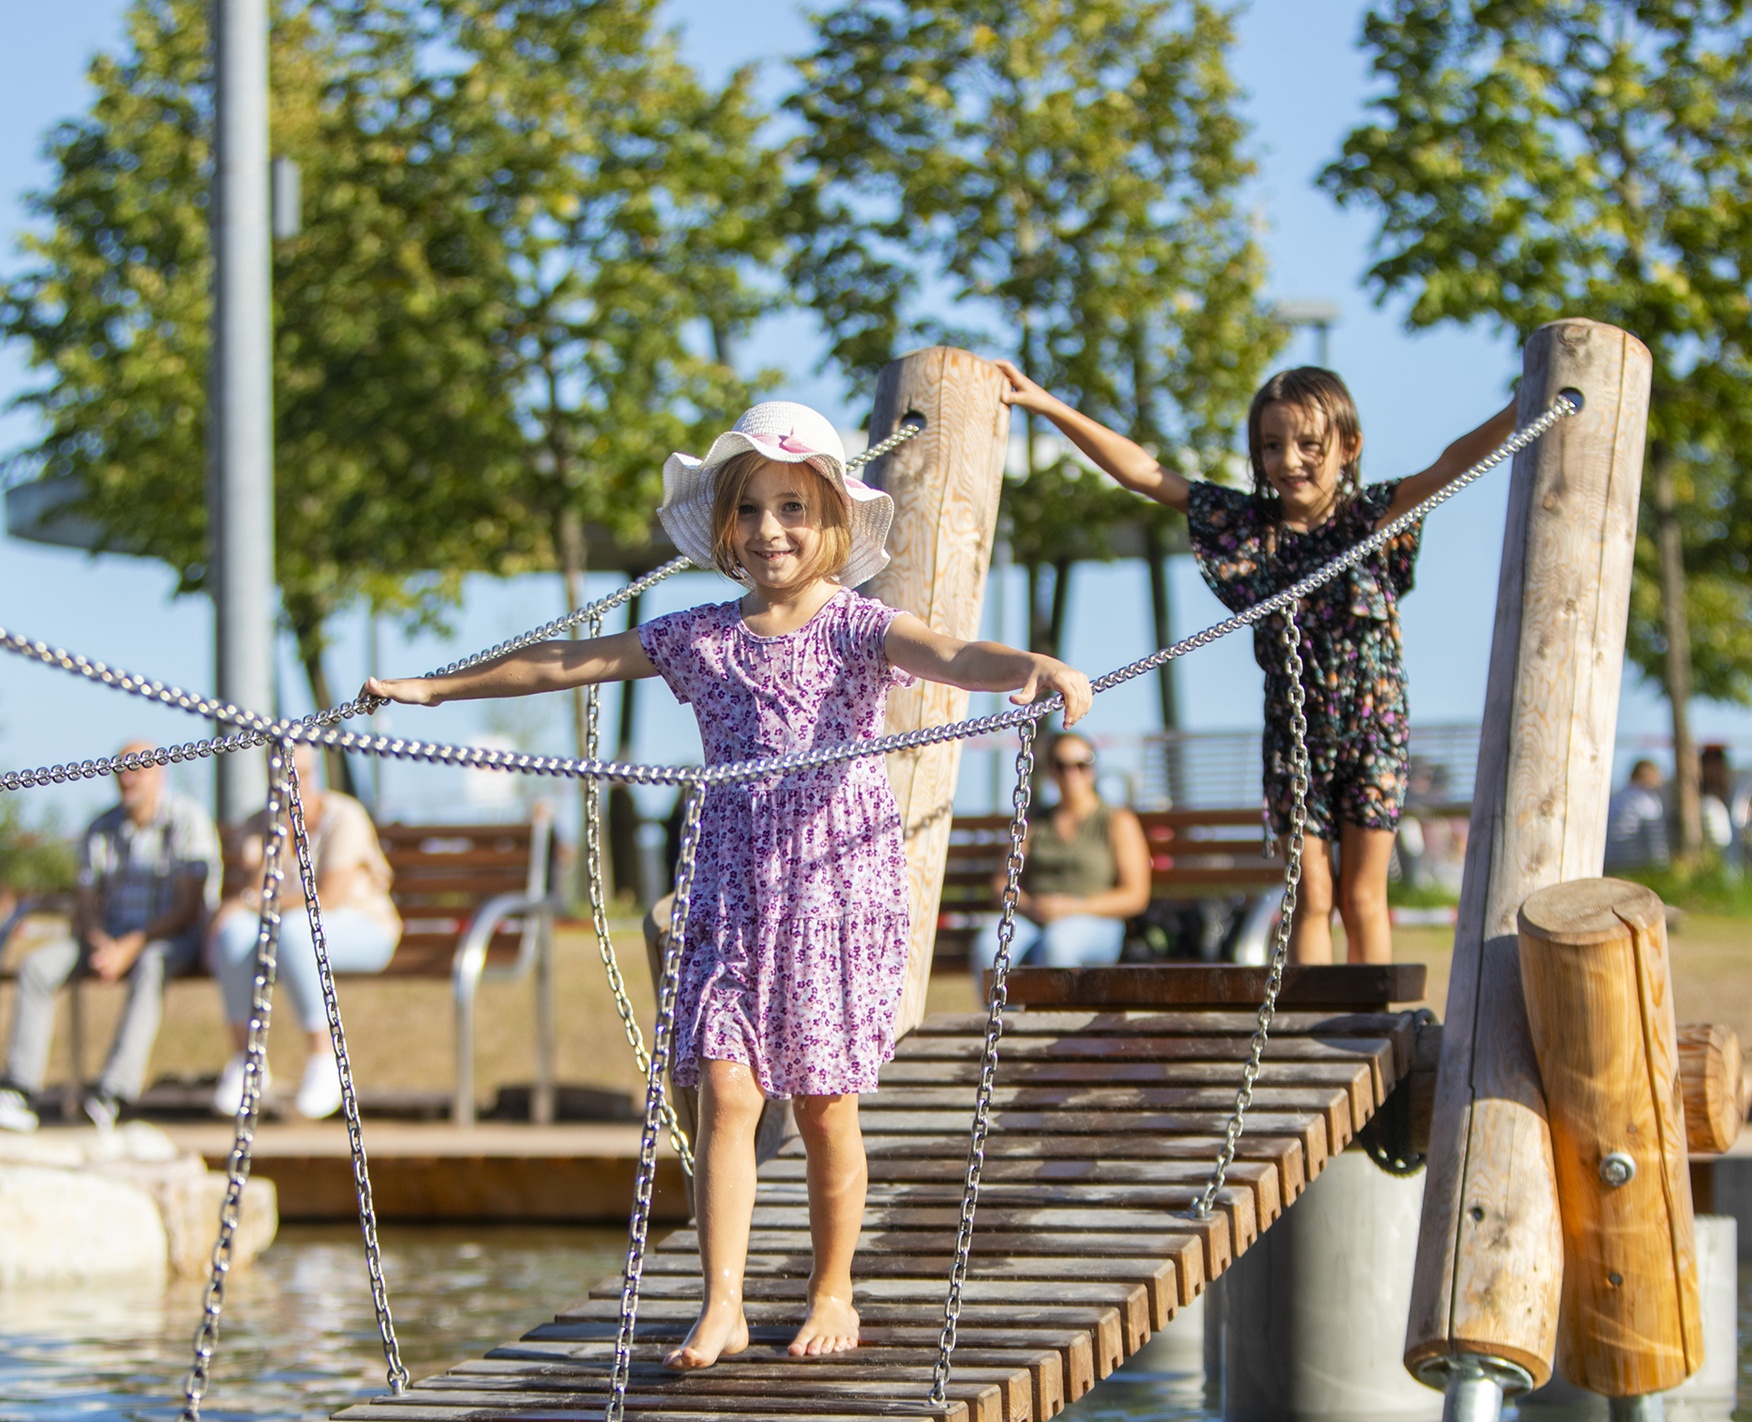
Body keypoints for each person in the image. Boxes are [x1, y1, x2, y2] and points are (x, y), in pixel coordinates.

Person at [362, 400, 1090, 1368]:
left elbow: (952, 655)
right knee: (725, 1090)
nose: (769, 531)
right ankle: (725, 1301)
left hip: (830, 891)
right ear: (726, 528)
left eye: (791, 507)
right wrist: (434, 689)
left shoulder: (857, 630)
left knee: (828, 1102)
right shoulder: (701, 637)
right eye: (749, 511)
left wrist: (1030, 666)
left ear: (831, 517)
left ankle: (834, 1288)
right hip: (734, 893)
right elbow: (570, 660)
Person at [996, 362, 1521, 965]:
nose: (1289, 460)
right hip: (1295, 735)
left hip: (1374, 730)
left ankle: (1375, 1024)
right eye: (1272, 446)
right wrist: (1049, 407)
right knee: (1311, 892)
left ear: (1348, 447)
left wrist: (1515, 410)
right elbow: (1144, 472)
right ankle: (1315, 1029)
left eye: (1308, 445)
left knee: (1362, 895)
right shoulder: (1249, 527)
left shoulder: (1373, 517)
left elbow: (1451, 465)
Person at [0, 745, 220, 1133]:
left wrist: (130, 946)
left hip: (169, 937)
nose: (127, 777)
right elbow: (85, 902)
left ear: (160, 773)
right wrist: (101, 941)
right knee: (37, 966)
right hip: (106, 937)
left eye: (137, 769)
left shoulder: (186, 820)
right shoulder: (102, 826)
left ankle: (112, 1093)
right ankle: (19, 1090)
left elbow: (188, 907)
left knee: (152, 964)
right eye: (121, 769)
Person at [211, 745, 400, 1120]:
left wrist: (252, 903)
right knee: (231, 933)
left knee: (297, 931)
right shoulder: (258, 824)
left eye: (301, 773)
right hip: (285, 935)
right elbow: (254, 889)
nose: (292, 783)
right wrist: (274, 841)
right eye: (282, 774)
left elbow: (326, 898)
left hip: (362, 928)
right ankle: (248, 1061)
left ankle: (323, 1059)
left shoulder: (344, 816)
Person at [969, 731, 1151, 979]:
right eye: (1061, 766)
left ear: (1094, 769)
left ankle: (1058, 1018)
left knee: (1058, 945)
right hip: (1034, 920)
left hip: (1095, 921)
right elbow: (1002, 882)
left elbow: (1135, 895)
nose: (1071, 774)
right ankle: (1006, 1018)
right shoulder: (1035, 824)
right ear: (1050, 771)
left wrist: (1074, 907)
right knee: (989, 944)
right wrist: (1031, 906)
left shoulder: (1116, 820)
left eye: (1081, 765)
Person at [1605, 758, 1671, 873]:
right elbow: (1654, 836)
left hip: (1612, 862)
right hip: (1637, 864)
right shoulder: (1645, 799)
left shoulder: (1619, 796)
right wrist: (1662, 867)